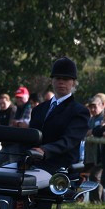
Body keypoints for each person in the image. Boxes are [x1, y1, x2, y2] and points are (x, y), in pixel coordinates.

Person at [20, 57, 89, 187]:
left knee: (19, 183)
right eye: (57, 78)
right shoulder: (39, 109)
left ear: (73, 83)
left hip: (58, 167)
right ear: (52, 81)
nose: (61, 82)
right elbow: (31, 136)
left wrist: (45, 150)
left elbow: (69, 141)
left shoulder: (79, 111)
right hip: (31, 162)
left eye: (66, 79)